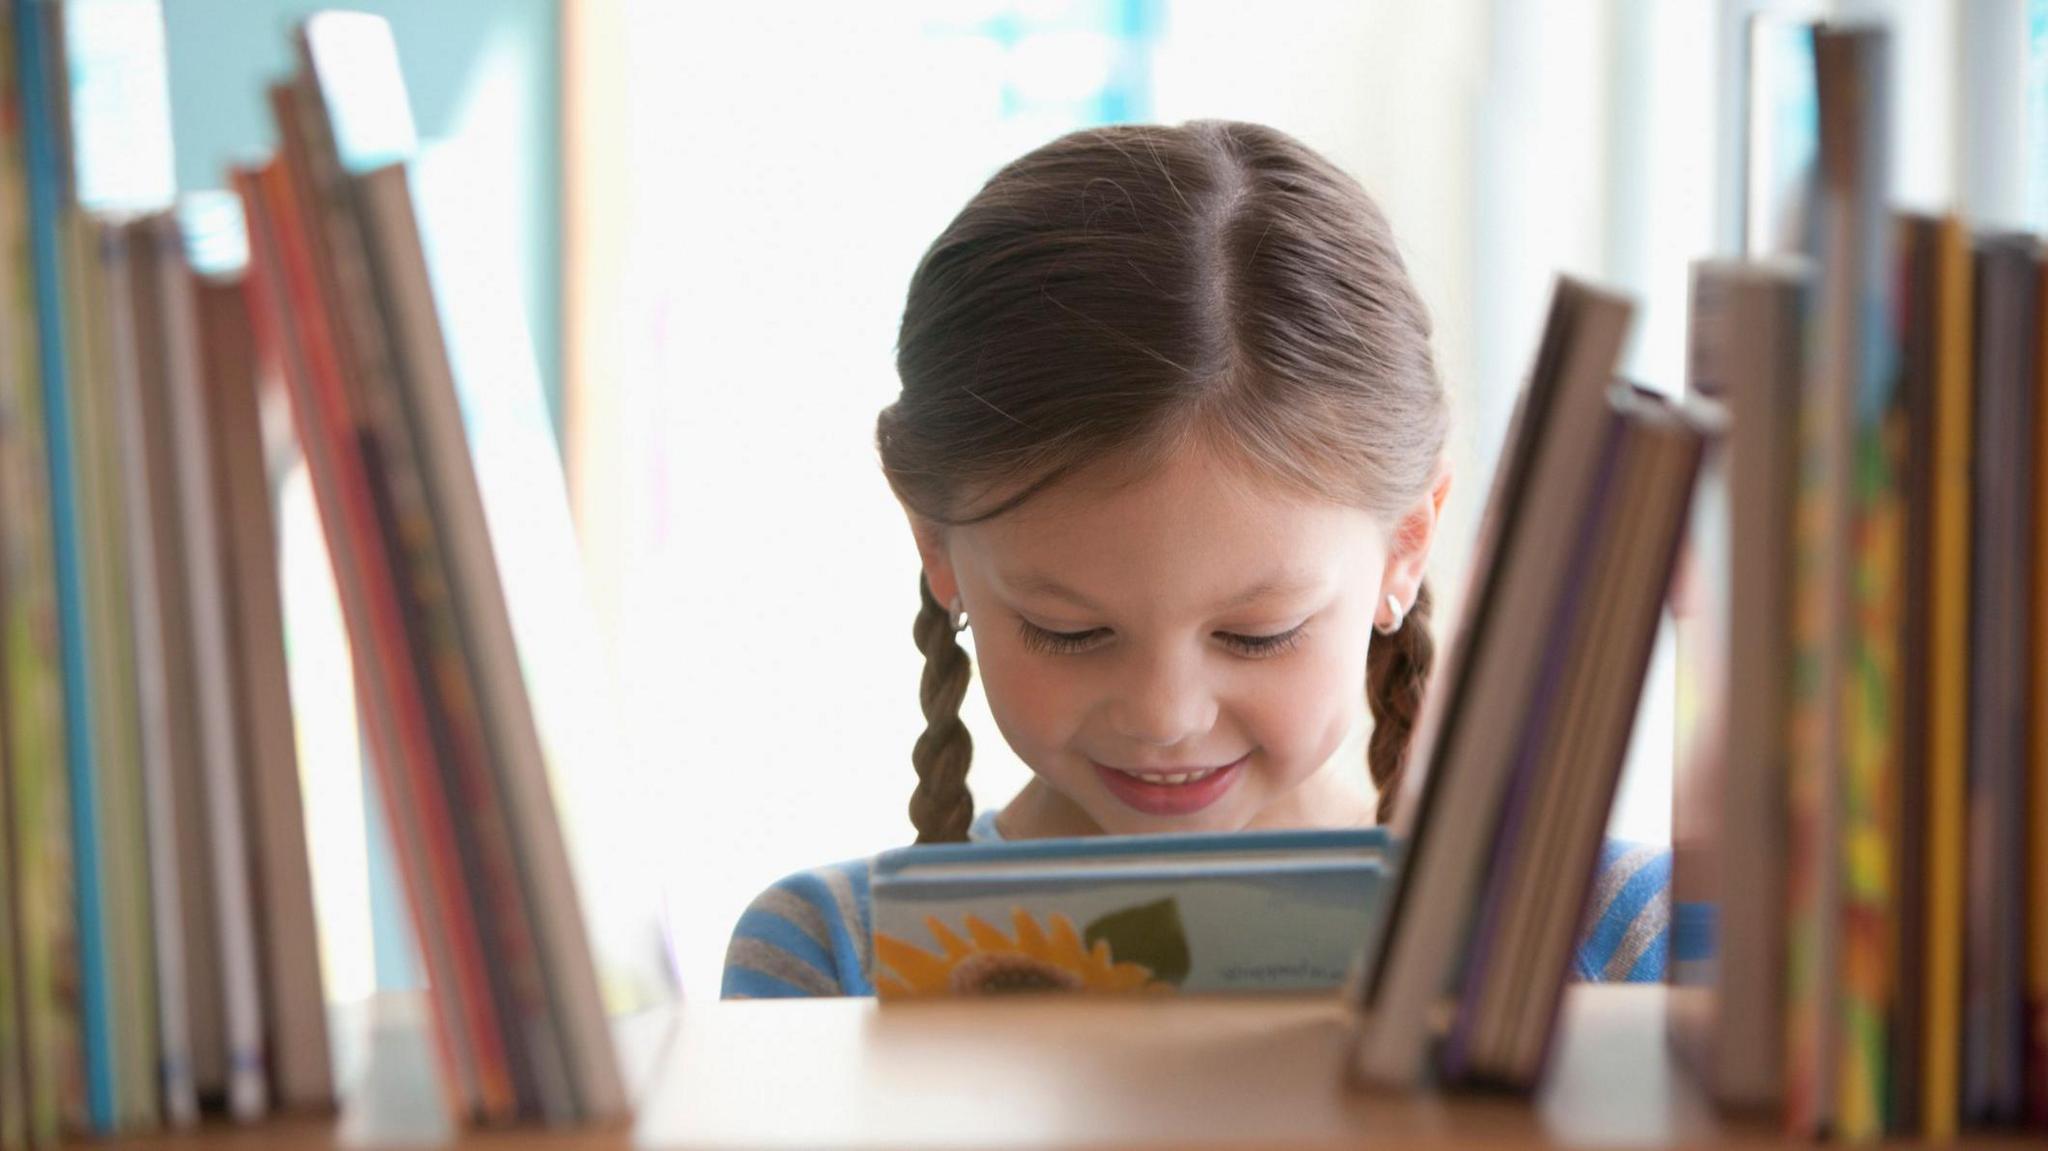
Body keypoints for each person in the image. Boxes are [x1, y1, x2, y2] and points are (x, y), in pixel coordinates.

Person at [722, 121, 1668, 999]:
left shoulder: (1621, 942)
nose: (1166, 717)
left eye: (1259, 635)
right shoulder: (828, 962)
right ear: (937, 544)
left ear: (1407, 544)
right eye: (1069, 630)